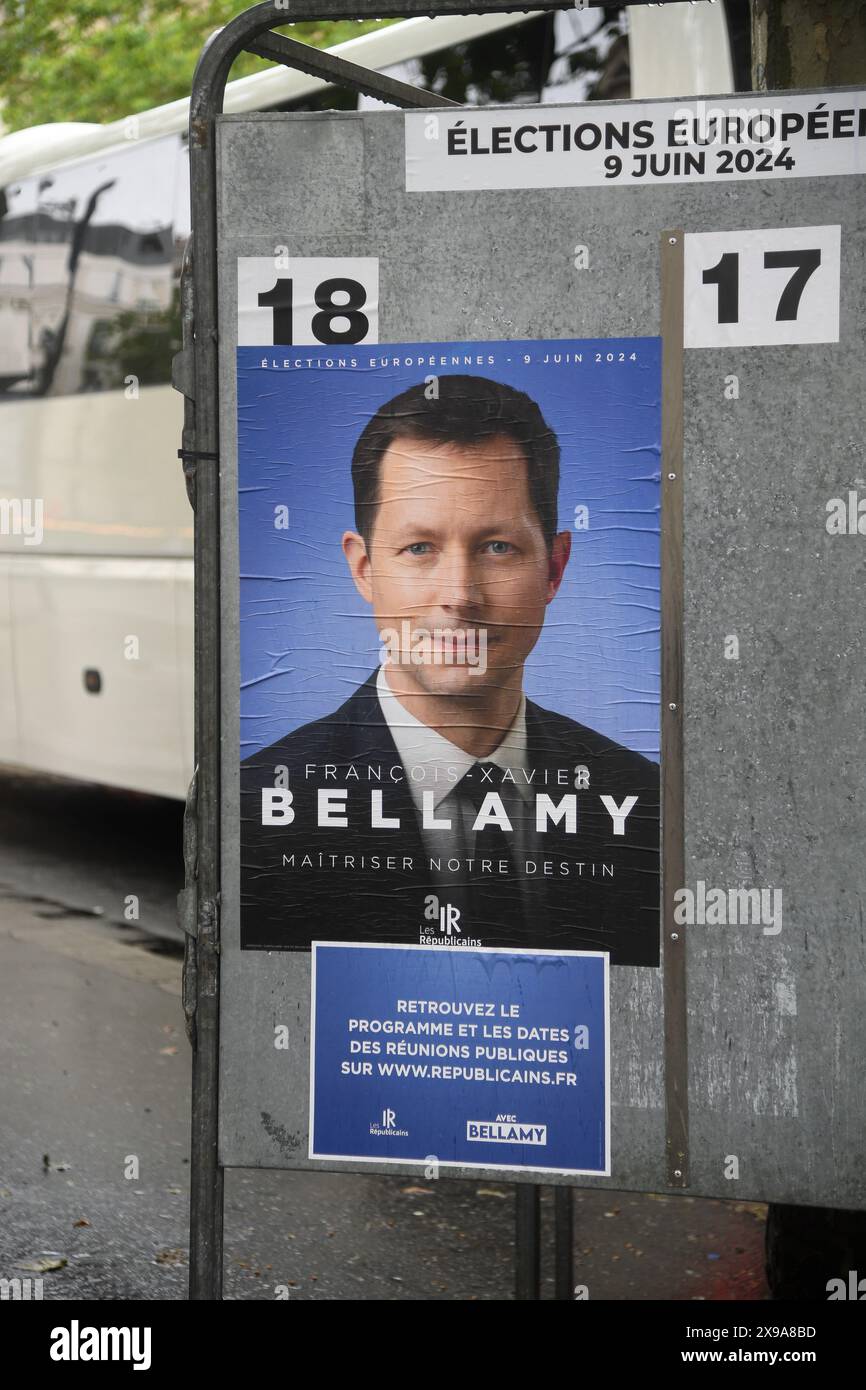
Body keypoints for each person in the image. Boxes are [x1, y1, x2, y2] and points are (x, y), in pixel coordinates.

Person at [240, 375, 659, 964]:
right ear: (363, 569)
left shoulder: (645, 805)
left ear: (555, 568)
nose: (460, 595)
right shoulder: (252, 810)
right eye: (419, 548)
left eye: (497, 548)